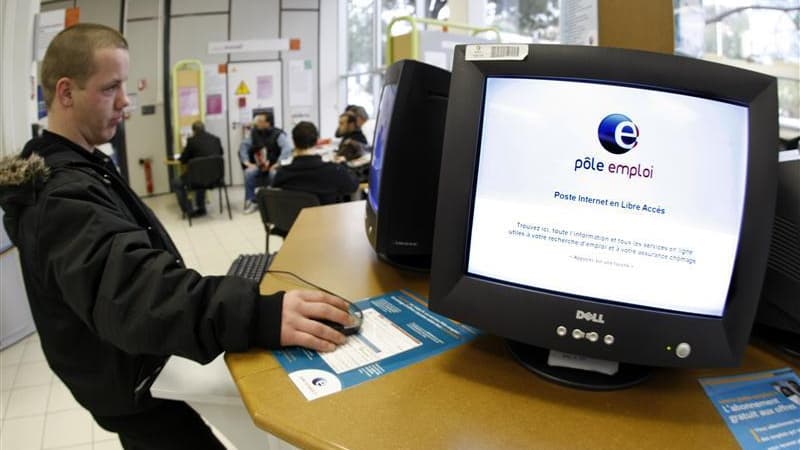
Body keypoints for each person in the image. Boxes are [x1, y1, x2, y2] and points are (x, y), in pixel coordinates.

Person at [0, 23, 352, 450]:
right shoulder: (62, 196)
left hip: (135, 365)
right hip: (133, 384)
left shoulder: (83, 166)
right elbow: (133, 290)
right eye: (111, 88)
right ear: (66, 92)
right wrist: (256, 314)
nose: (126, 102)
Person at [273, 121, 359, 205]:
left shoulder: (282, 173)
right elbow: (353, 186)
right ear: (317, 140)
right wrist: (344, 165)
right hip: (326, 218)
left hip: (295, 219)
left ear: (294, 142)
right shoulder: (334, 171)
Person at [171, 120, 223, 217]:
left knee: (176, 183)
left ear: (194, 131)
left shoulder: (191, 141)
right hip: (216, 177)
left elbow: (183, 160)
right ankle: (201, 207)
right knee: (201, 175)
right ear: (204, 129)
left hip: (198, 178)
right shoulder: (216, 139)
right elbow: (220, 154)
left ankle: (188, 210)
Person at [243, 112, 291, 214]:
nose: (257, 123)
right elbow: (244, 147)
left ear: (268, 123)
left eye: (260, 121)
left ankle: (273, 202)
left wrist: (278, 163)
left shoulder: (278, 134)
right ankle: (252, 201)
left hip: (274, 164)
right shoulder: (254, 133)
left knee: (273, 173)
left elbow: (287, 149)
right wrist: (246, 161)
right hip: (259, 164)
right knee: (248, 172)